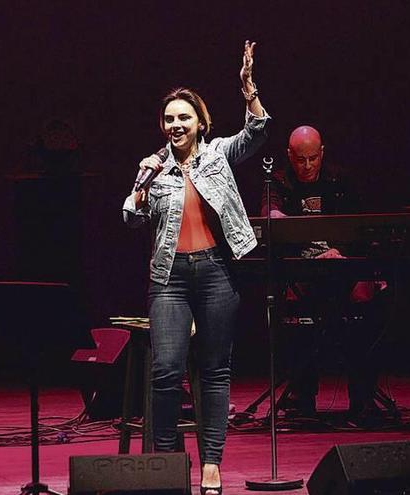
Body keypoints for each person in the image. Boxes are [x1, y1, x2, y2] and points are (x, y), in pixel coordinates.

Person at [122, 40, 269, 494]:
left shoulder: (219, 154)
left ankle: (211, 463)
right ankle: (167, 463)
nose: (175, 125)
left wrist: (248, 89)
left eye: (184, 117)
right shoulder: (154, 168)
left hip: (216, 273)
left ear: (200, 122)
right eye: (169, 119)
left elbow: (259, 131)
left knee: (214, 370)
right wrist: (142, 186)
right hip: (169, 279)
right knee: (166, 368)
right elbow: (130, 215)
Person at [261, 125, 385, 421]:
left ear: (322, 154)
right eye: (300, 159)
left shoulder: (341, 180)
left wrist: (340, 252)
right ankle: (301, 397)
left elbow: (360, 227)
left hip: (341, 266)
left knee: (366, 311)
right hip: (300, 272)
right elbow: (271, 216)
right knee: (297, 319)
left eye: (312, 159)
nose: (306, 166)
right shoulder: (277, 181)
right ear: (289, 155)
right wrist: (277, 218)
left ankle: (363, 397)